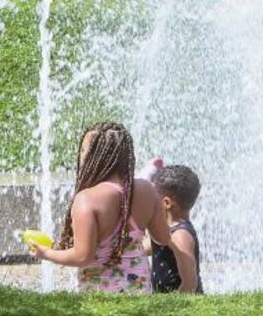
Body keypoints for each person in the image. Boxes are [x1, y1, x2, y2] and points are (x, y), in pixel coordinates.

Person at [29, 121, 172, 293]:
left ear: (94, 156)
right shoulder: (147, 190)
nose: (80, 155)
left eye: (83, 150)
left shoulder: (86, 200)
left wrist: (46, 253)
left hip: (100, 294)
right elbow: (163, 238)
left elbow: (82, 256)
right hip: (139, 290)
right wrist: (130, 243)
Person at [148, 164, 203, 294]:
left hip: (176, 298)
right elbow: (150, 245)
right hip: (163, 298)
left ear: (166, 203)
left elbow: (190, 280)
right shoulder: (167, 229)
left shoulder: (180, 234)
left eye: (153, 197)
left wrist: (178, 306)